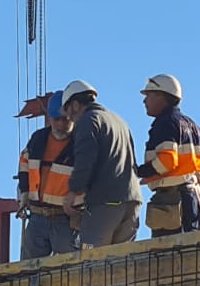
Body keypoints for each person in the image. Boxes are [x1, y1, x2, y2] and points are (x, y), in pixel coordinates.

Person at [60, 79, 142, 247]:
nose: (69, 118)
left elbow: (85, 161)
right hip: (132, 201)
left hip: (105, 202)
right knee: (123, 258)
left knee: (92, 258)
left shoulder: (88, 121)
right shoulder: (119, 122)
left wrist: (73, 192)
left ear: (75, 105)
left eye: (68, 111)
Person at [136, 74, 200, 236]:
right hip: (194, 200)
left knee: (165, 249)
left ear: (162, 96)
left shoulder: (165, 123)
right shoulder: (194, 127)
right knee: (190, 247)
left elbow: (166, 161)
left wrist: (138, 171)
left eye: (149, 95)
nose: (144, 101)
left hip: (171, 202)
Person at [15, 90, 80, 257]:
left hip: (65, 219)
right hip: (37, 216)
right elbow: (24, 164)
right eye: (56, 120)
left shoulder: (81, 143)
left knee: (70, 266)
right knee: (29, 267)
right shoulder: (38, 139)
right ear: (50, 118)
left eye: (65, 120)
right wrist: (24, 192)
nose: (60, 125)